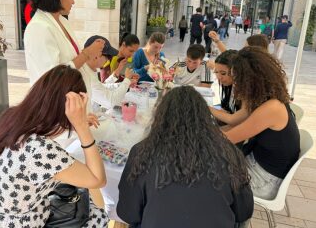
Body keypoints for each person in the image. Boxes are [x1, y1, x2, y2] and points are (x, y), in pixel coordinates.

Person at [0, 65, 108, 228]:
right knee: (97, 215)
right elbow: (98, 179)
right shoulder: (41, 150)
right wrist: (82, 128)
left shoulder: (9, 118)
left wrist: (73, 123)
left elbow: (37, 140)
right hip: (14, 224)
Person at [117, 86, 254, 228]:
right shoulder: (229, 152)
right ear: (205, 117)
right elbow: (244, 211)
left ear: (161, 117)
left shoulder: (141, 152)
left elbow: (128, 213)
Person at [222, 47, 300, 200]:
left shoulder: (271, 108)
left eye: (237, 79)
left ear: (251, 80)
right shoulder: (269, 98)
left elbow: (228, 138)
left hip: (264, 180)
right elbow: (235, 127)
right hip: (258, 165)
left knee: (204, 175)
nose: (236, 85)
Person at [24, 0, 104, 98]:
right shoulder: (39, 28)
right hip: (56, 108)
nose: (73, 1)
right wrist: (87, 54)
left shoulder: (62, 21)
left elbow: (73, 62)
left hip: (74, 104)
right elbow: (52, 79)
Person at [84, 35, 138, 109]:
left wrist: (123, 81)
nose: (107, 60)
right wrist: (127, 80)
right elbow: (111, 102)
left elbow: (103, 86)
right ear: (96, 56)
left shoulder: (89, 71)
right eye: (108, 57)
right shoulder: (86, 76)